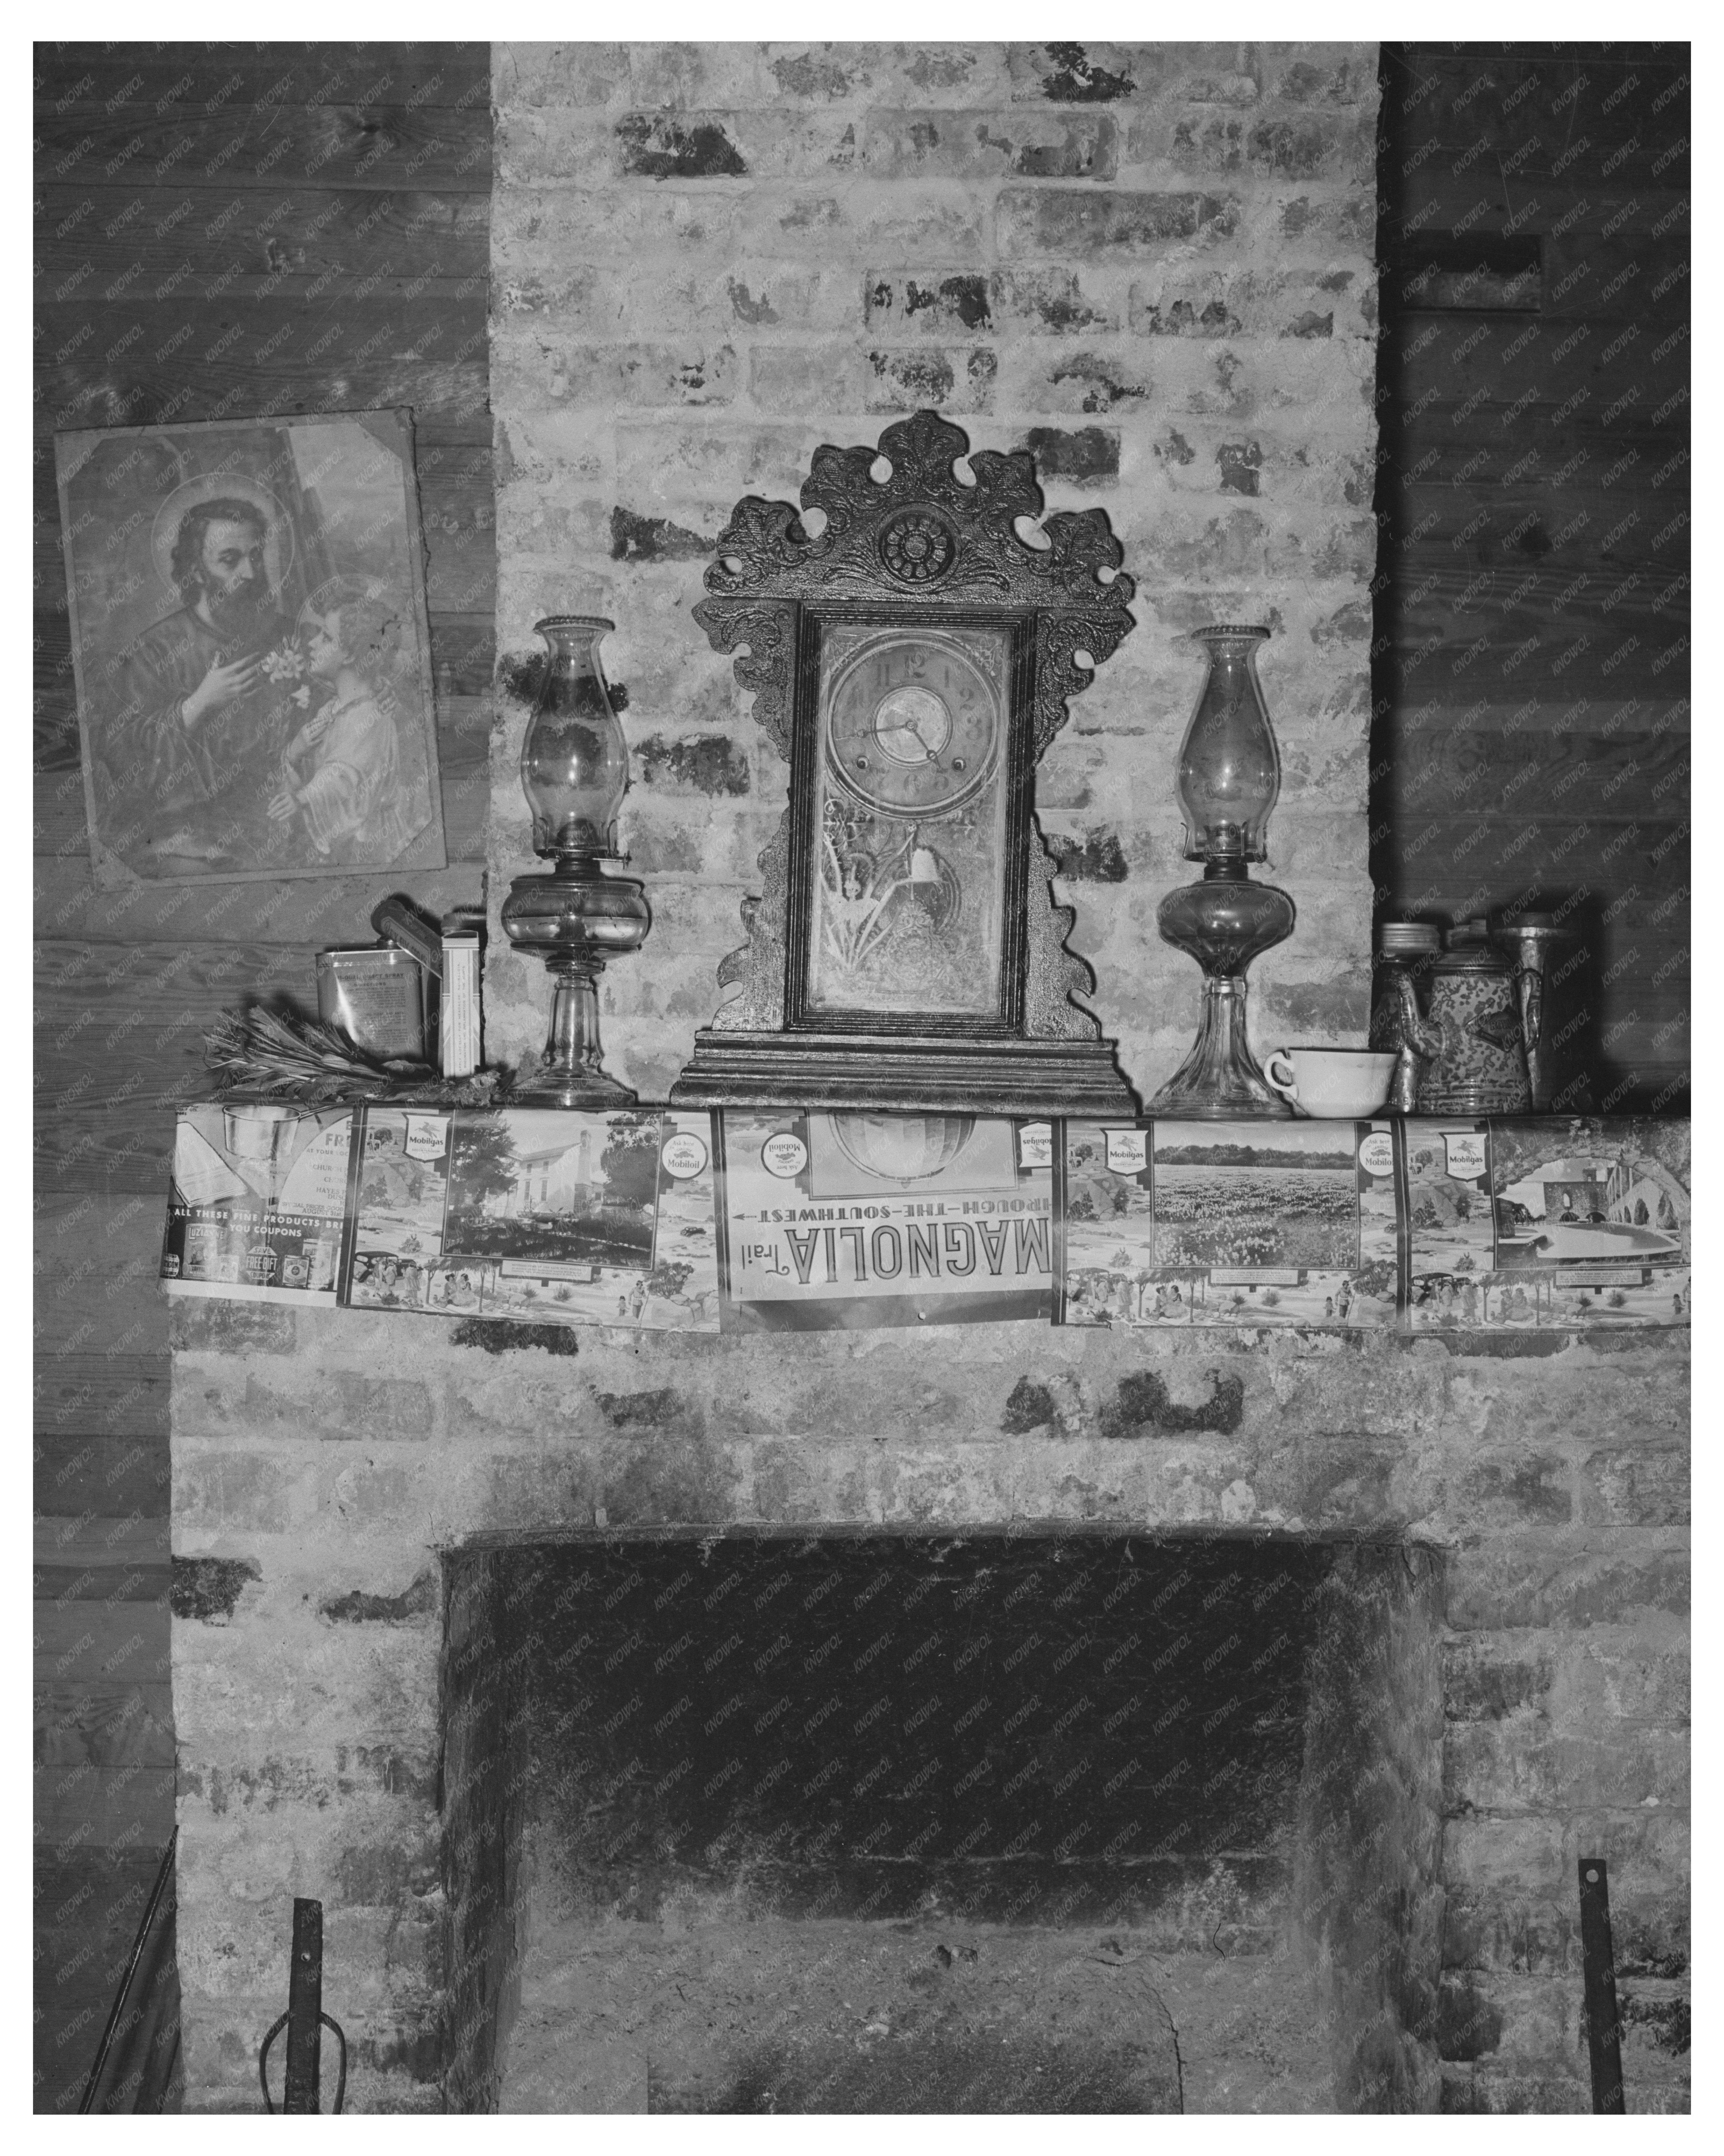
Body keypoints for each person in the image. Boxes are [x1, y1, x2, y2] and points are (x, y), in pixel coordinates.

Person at [104, 497, 299, 869]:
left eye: (256, 556)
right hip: (189, 836)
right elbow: (120, 755)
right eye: (230, 560)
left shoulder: (290, 636)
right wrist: (197, 706)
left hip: (278, 821)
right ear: (196, 571)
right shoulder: (155, 650)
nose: (251, 573)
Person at [269, 584, 413, 864]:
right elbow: (316, 766)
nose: (312, 644)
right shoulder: (332, 709)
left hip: (364, 848)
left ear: (349, 654)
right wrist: (294, 753)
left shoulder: (372, 715)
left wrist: (302, 799)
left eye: (325, 637)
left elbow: (346, 778)